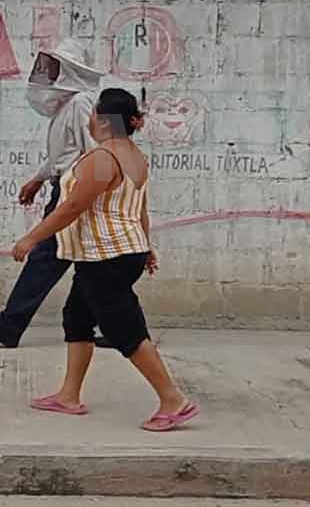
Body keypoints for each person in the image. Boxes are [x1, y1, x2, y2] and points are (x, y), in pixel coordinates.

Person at [12, 88, 198, 432]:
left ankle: (173, 400)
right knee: (77, 317)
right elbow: (138, 207)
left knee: (124, 328)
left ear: (103, 120)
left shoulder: (103, 159)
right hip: (119, 250)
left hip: (107, 255)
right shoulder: (135, 157)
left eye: (94, 115)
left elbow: (73, 206)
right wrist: (147, 245)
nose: (89, 120)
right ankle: (69, 395)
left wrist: (32, 237)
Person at [0, 40, 108, 349]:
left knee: (48, 258)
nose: (48, 73)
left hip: (76, 190)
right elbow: (63, 155)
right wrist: (38, 180)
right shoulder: (68, 106)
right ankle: (112, 327)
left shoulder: (81, 103)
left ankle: (10, 325)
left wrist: (82, 196)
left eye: (55, 67)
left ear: (69, 71)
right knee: (94, 263)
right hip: (69, 187)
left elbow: (93, 154)